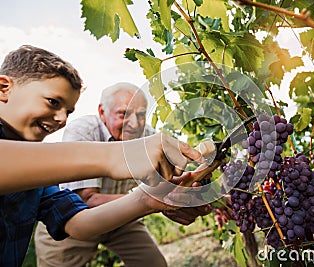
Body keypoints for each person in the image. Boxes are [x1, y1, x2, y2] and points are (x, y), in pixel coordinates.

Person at [0, 45, 203, 267]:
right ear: (3, 88)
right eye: (53, 102)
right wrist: (116, 157)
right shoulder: (79, 135)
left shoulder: (39, 182)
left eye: (68, 111)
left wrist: (147, 200)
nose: (62, 118)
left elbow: (79, 223)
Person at [34, 82, 211, 266]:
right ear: (102, 112)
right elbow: (86, 200)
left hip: (124, 220)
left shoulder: (149, 137)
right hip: (70, 223)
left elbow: (167, 181)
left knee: (153, 263)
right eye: (123, 114)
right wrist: (152, 202)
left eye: (141, 115)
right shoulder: (83, 132)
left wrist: (205, 195)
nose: (134, 123)